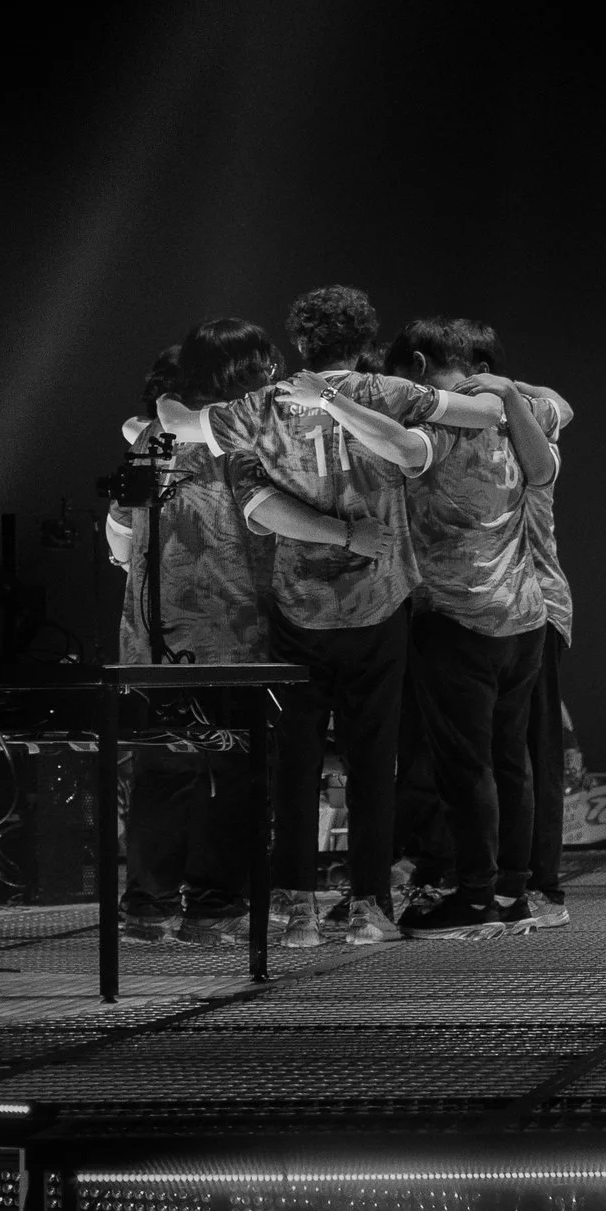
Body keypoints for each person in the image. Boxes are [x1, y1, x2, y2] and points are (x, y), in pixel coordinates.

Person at [152, 288, 503, 948]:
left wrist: (162, 404)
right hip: (379, 603)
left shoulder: (263, 405)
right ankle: (369, 903)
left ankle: (295, 908)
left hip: (300, 608)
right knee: (375, 759)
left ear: (300, 341)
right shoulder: (388, 392)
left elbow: (178, 421)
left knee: (296, 761)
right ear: (364, 336)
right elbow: (478, 412)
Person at [106, 333, 303, 946]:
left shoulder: (149, 437)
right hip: (226, 633)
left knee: (163, 773)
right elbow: (263, 506)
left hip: (152, 639)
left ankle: (147, 907)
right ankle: (214, 909)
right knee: (230, 774)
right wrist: (344, 533)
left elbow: (117, 531)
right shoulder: (230, 436)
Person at [384, 318, 567, 939]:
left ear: (414, 362)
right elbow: (550, 448)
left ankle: (475, 896)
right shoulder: (522, 414)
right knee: (510, 761)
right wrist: (511, 393)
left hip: (455, 618)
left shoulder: (421, 422)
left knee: (466, 769)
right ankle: (515, 892)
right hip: (524, 619)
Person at [459, 319, 578, 930]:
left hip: (533, 606)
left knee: (531, 750)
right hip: (507, 610)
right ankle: (514, 883)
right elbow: (565, 404)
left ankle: (540, 886)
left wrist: (504, 388)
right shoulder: (482, 417)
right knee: (509, 751)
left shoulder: (518, 416)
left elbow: (563, 406)